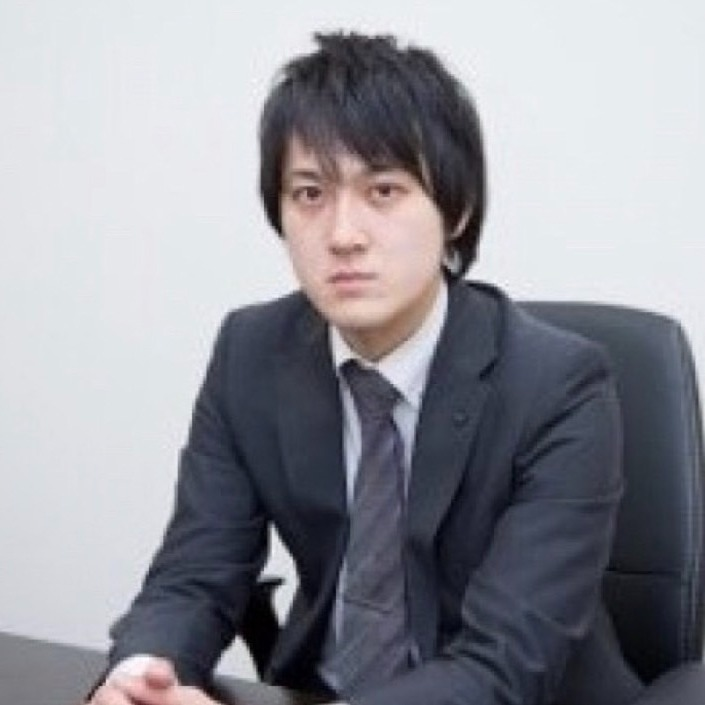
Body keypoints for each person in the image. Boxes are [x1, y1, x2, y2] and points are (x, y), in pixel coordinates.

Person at [87, 31, 644, 705]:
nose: (343, 235)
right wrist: (140, 677)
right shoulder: (250, 352)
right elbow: (193, 575)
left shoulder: (560, 385)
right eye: (309, 193)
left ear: (456, 210)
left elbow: (505, 663)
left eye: (383, 190)